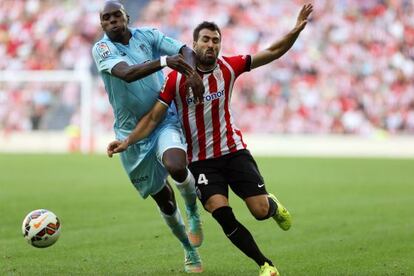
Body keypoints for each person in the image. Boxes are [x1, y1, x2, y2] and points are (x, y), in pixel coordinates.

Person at [107, 4, 313, 276]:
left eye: (216, 41)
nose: (211, 45)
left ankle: (271, 205)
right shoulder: (175, 80)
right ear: (194, 44)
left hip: (233, 151)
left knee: (260, 211)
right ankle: (265, 264)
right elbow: (154, 118)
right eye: (205, 39)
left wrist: (296, 29)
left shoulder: (230, 66)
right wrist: (128, 141)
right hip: (201, 162)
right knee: (221, 211)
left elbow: (272, 52)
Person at [91, 1, 205, 273]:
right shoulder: (102, 48)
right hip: (130, 133)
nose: (112, 22)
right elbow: (126, 74)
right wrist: (166, 61)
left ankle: (192, 210)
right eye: (106, 19)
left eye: (116, 16)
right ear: (102, 24)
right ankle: (188, 249)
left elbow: (185, 51)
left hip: (163, 117)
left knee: (176, 166)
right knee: (164, 199)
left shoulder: (148, 36)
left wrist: (190, 74)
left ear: (126, 17)